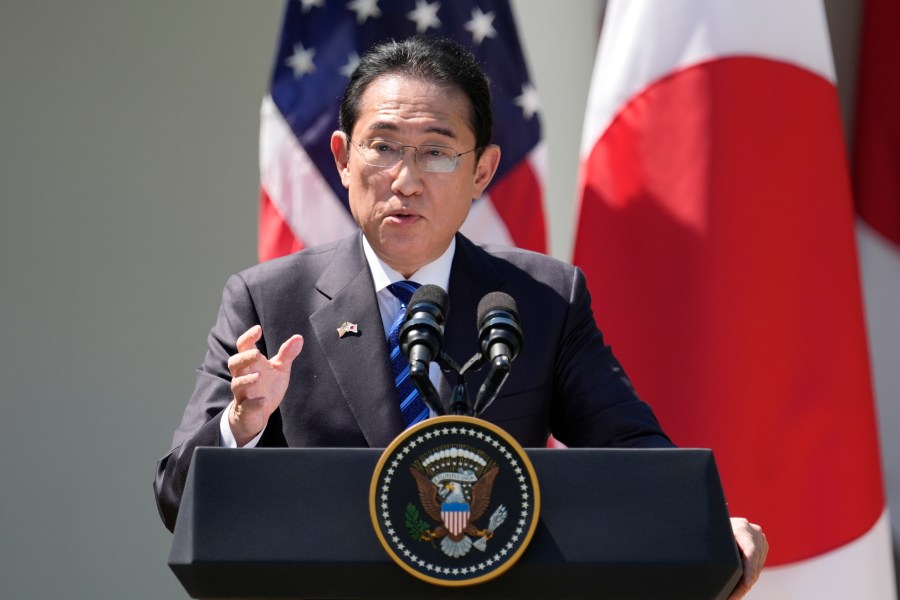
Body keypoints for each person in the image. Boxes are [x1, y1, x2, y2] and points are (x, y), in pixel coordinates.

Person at [155, 35, 767, 598]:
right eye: (384, 146)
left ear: (482, 171)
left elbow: (635, 453)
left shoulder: (543, 298)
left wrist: (713, 522)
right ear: (342, 157)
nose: (406, 179)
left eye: (437, 153)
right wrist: (244, 422)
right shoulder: (269, 299)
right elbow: (178, 501)